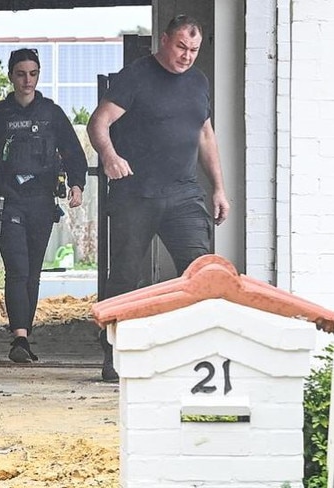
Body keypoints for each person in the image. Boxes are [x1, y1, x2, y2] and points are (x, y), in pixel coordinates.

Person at [87, 14, 230, 381]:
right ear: (164, 41)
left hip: (184, 194)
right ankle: (114, 355)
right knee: (124, 276)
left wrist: (218, 187)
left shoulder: (198, 82)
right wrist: (110, 156)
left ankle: (196, 355)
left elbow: (205, 136)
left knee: (201, 272)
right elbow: (98, 122)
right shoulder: (136, 76)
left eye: (194, 50)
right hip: (136, 194)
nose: (187, 56)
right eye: (181, 46)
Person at [0, 48, 88, 363]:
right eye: (20, 73)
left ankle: (25, 331)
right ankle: (20, 339)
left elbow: (72, 150)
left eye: (33, 73)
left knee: (33, 273)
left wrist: (76, 183)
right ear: (11, 76)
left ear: (38, 75)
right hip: (6, 200)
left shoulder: (51, 113)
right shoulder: (0, 114)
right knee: (18, 269)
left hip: (41, 201)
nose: (27, 80)